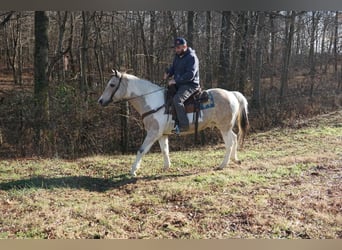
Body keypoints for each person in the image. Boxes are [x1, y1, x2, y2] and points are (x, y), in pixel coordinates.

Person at [163, 37, 200, 133]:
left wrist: (175, 81)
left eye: (178, 47)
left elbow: (190, 75)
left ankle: (184, 125)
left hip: (190, 85)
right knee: (166, 95)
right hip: (180, 84)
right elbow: (173, 68)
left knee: (177, 100)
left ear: (185, 46)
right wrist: (168, 73)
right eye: (175, 48)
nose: (176, 49)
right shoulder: (177, 57)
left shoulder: (192, 57)